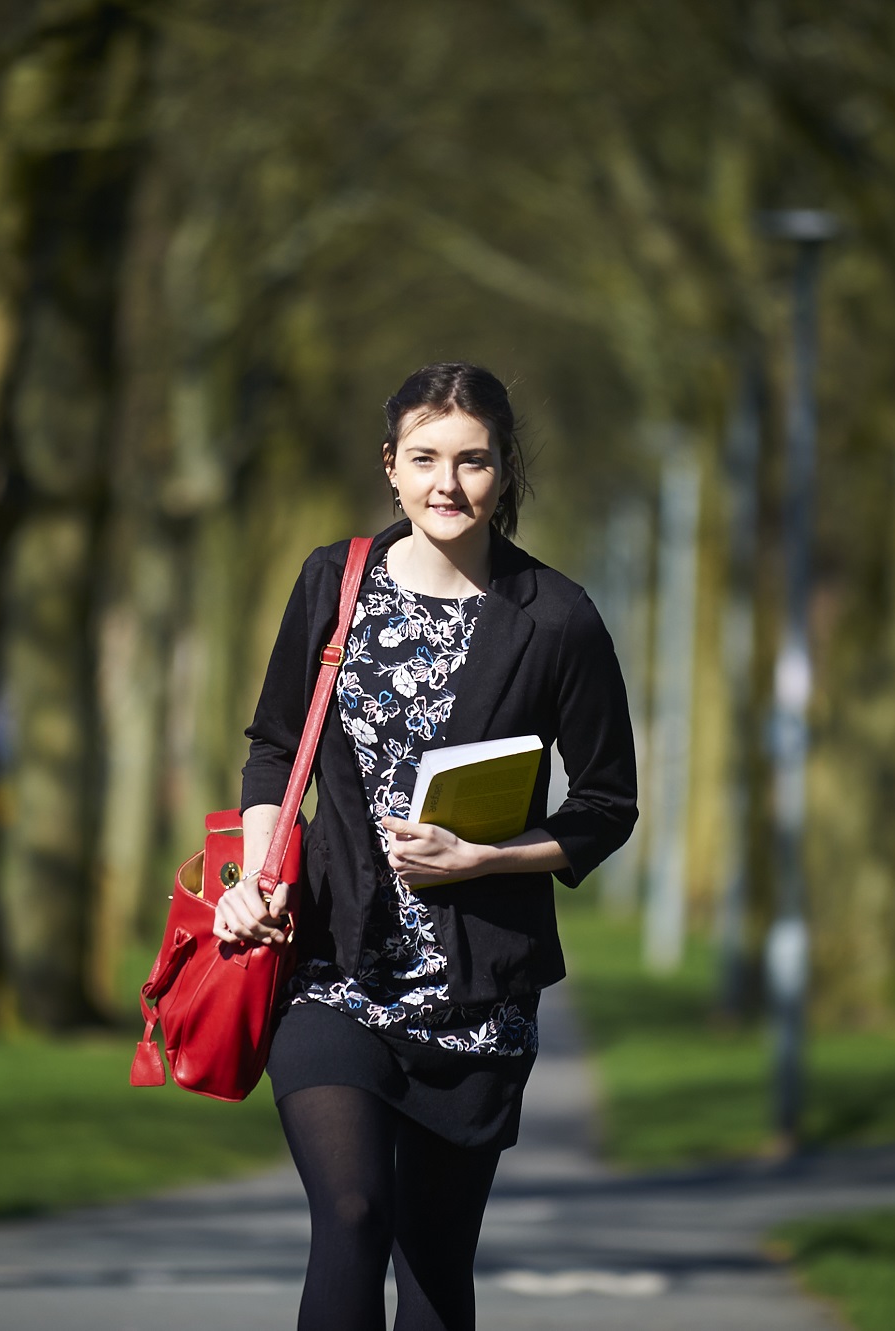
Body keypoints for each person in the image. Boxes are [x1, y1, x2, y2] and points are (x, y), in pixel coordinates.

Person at [215, 362, 638, 1331]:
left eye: (472, 460)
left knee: (434, 1265)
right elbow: (276, 745)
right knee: (352, 1214)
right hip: (332, 963)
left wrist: (480, 858)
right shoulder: (334, 579)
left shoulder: (557, 618)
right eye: (425, 459)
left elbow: (606, 804)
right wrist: (254, 872)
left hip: (477, 992)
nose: (447, 482)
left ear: (503, 470)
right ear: (391, 469)